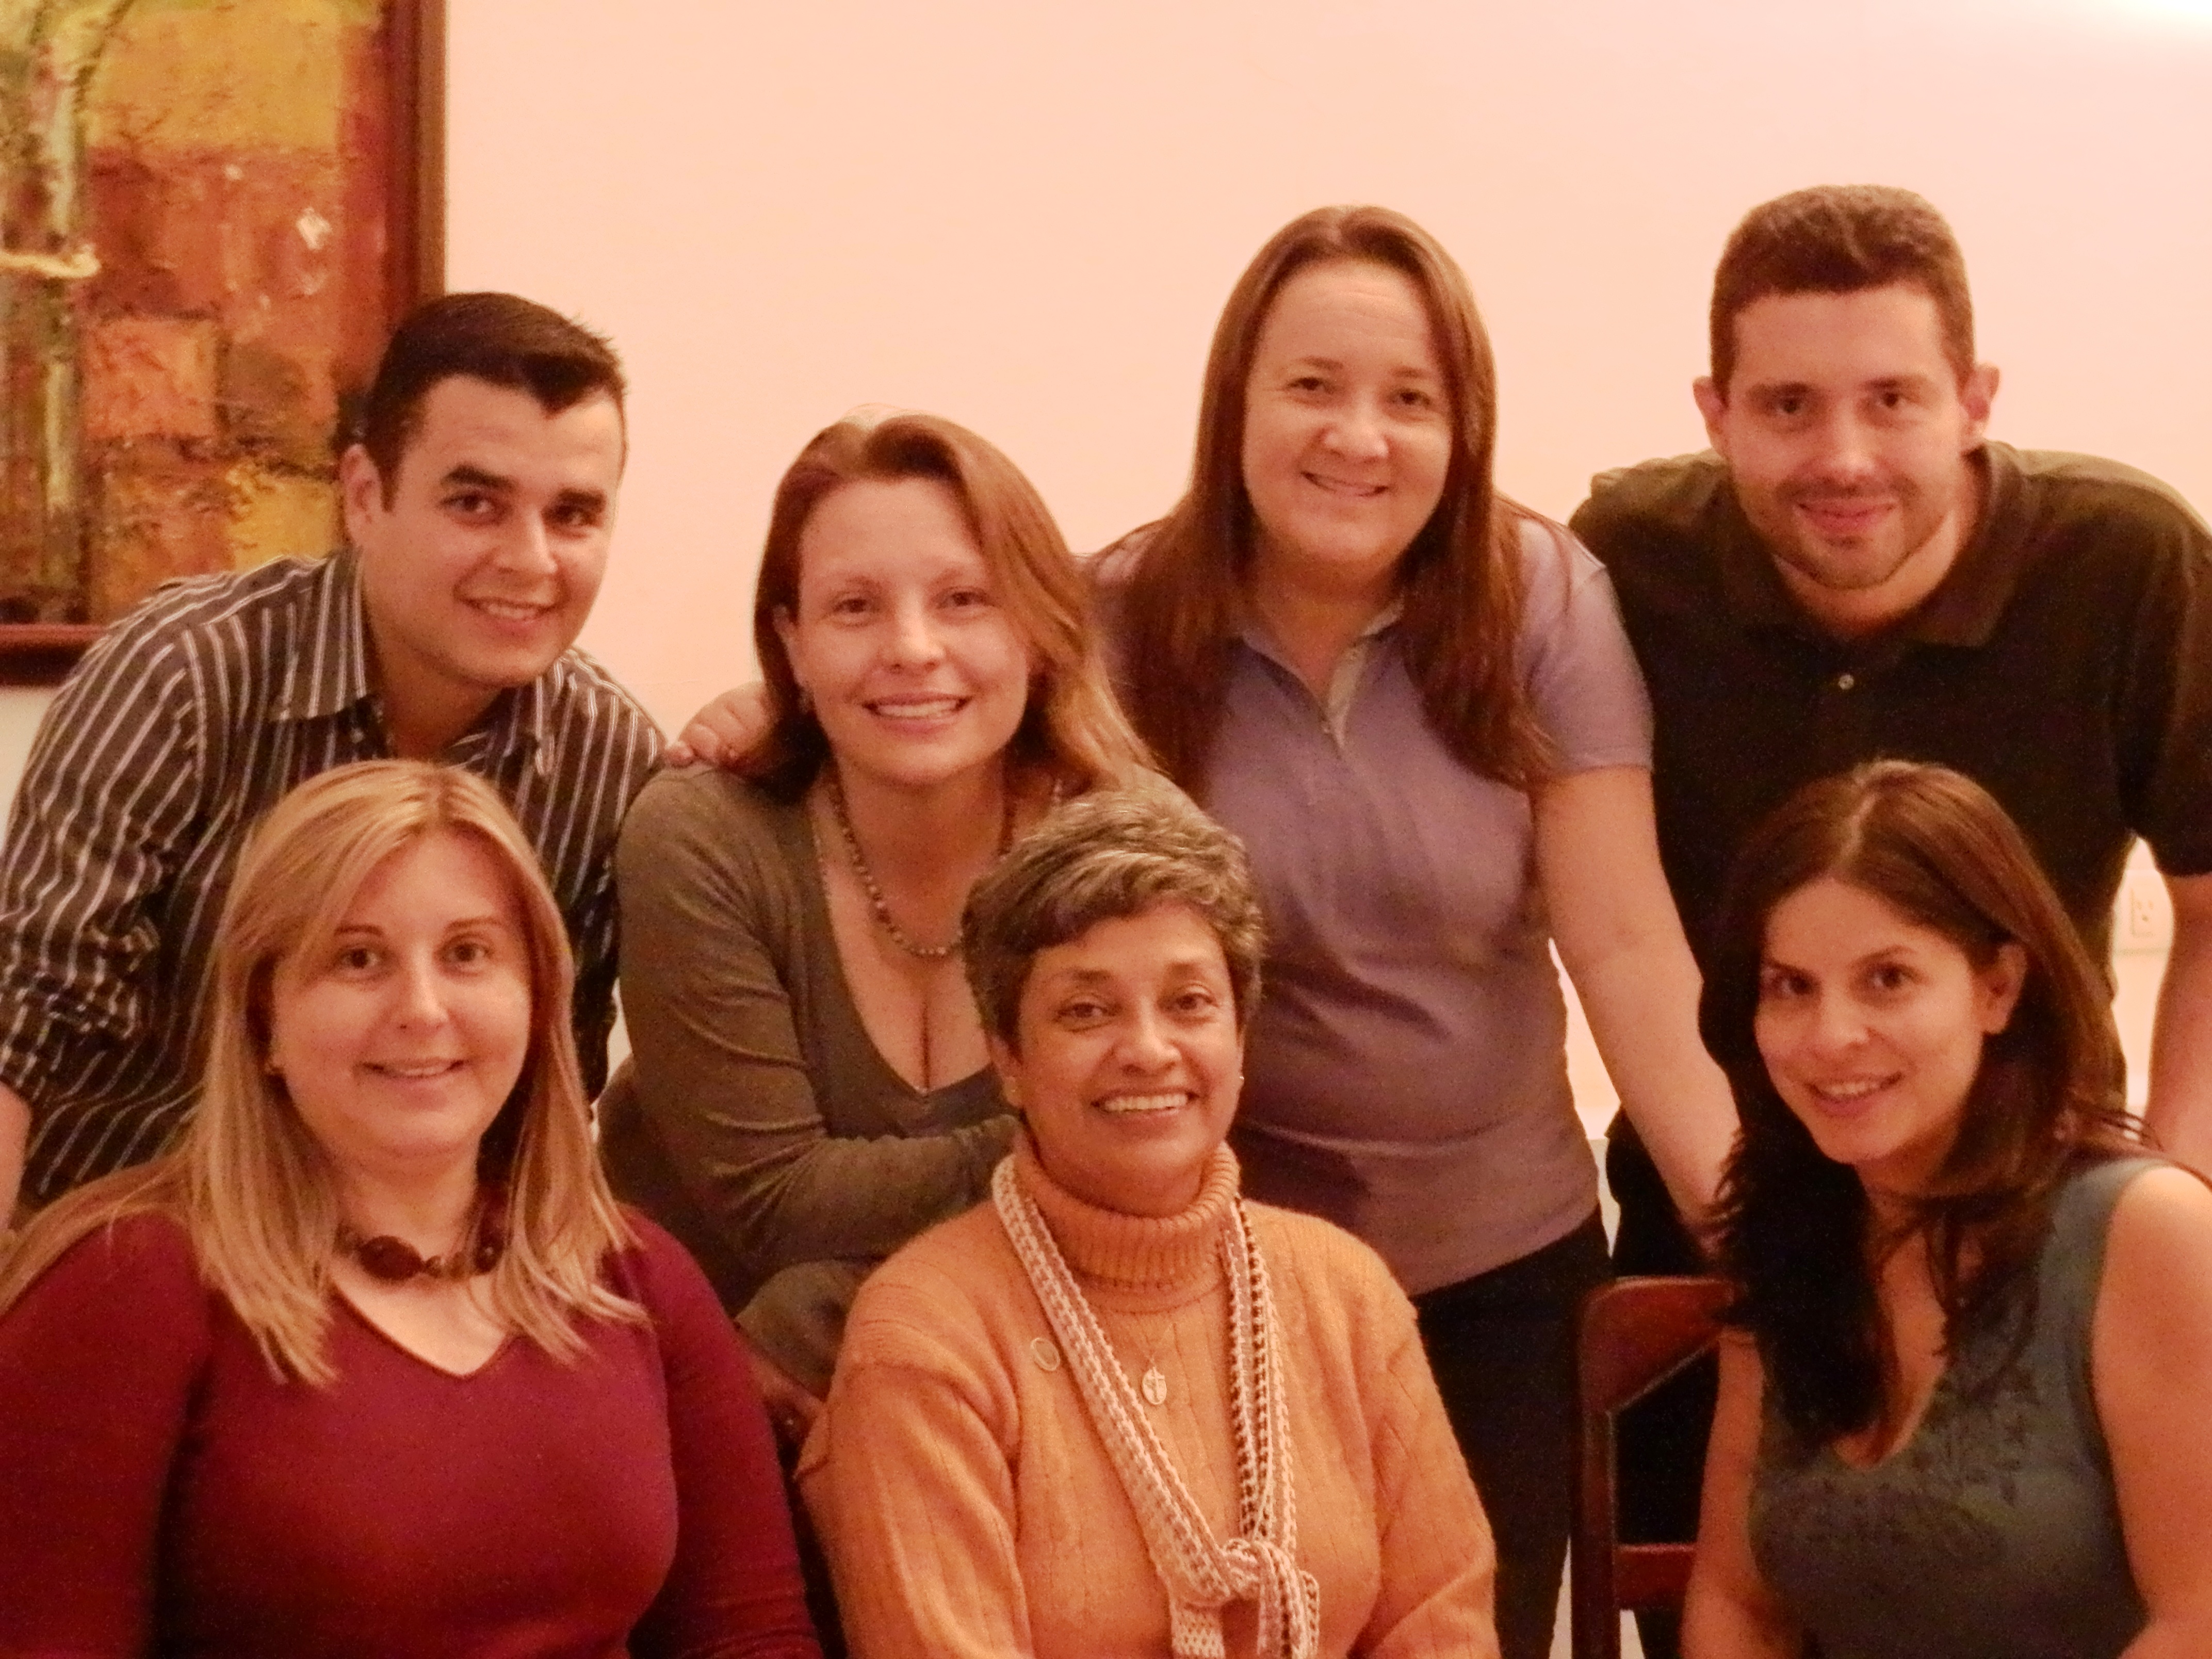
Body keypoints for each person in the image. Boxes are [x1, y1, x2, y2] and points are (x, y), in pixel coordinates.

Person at [1569, 183, 2212, 1653]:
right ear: (1715, 414)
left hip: (2049, 1225)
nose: (1841, 456)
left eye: (1893, 400)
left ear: (1973, 401)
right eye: (1786, 405)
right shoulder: (1625, 566)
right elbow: (1609, 923)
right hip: (1744, 1215)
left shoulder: (2127, 562)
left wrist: (2151, 1220)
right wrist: (1763, 1230)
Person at [1092, 203, 1736, 1659]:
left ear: (1463, 429)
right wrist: (764, 715)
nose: (1357, 438)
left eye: (1409, 399)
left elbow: (1625, 948)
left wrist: (1763, 1236)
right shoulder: (1122, 614)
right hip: (1224, 1273)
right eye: (1312, 386)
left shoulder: (1542, 598)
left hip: (1503, 1276)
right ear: (1237, 403)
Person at [0, 760, 820, 1657]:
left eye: (468, 954)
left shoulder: (638, 1279)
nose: (423, 1010)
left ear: (538, 998)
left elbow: (751, 1640)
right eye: (358, 959)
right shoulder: (126, 1283)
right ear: (263, 1017)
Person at [0, 291, 662, 1220]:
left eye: (574, 515)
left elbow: (548, 1090)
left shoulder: (610, 759)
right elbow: (26, 1018)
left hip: (405, 1265)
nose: (531, 559)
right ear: (363, 496)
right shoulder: (187, 675)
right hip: (126, 1240)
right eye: (476, 504)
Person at [800, 786, 1500, 1658]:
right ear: (1009, 1059)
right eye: (1086, 1011)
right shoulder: (927, 1338)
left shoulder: (1345, 1291)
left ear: (1240, 1041)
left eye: (1189, 1002)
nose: (1147, 1050)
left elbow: (1442, 1625)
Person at [598, 410, 1151, 1439]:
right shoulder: (702, 837)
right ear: (791, 643)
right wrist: (1067, 1140)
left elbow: (1168, 1160)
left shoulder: (1130, 855)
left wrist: (812, 1317)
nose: (912, 649)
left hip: (999, 1407)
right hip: (689, 1417)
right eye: (854, 607)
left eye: (963, 600)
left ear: (1036, 627)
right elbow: (773, 1205)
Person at [1683, 759, 2212, 1659]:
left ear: (1998, 987)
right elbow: (1738, 1601)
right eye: (1791, 987)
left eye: (1887, 979)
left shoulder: (2148, 1230)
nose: (1830, 1037)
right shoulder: (1786, 1233)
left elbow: (2199, 1621)